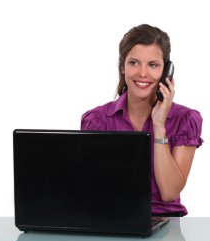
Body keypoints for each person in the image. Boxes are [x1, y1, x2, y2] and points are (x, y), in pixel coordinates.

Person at [81, 24, 203, 217]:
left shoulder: (185, 119)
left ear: (166, 71)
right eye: (134, 63)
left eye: (153, 65)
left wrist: (159, 127)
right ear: (122, 66)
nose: (143, 73)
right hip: (111, 218)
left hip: (165, 221)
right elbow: (92, 188)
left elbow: (170, 192)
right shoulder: (97, 120)